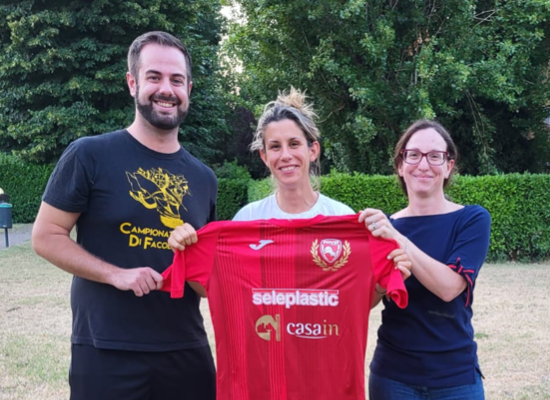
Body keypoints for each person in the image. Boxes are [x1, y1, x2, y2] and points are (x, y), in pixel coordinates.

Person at [165, 88, 412, 399]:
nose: (286, 155)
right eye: (275, 146)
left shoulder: (343, 219)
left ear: (313, 150)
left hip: (324, 380)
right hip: (263, 382)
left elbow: (355, 300)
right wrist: (185, 248)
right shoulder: (246, 221)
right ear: (264, 156)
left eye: (294, 144)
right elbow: (216, 288)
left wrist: (382, 282)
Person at [32, 31, 217, 400]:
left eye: (176, 80)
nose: (166, 89)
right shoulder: (89, 155)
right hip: (106, 349)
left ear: (188, 88)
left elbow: (206, 277)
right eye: (154, 77)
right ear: (133, 83)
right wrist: (116, 274)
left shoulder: (204, 178)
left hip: (186, 349)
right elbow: (45, 236)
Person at [359, 119, 491, 400]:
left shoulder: (472, 219)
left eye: (434, 156)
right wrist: (382, 284)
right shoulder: (385, 228)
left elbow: (449, 288)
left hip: (455, 379)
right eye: (414, 155)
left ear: (448, 166)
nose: (423, 164)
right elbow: (364, 302)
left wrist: (400, 240)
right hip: (392, 378)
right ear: (400, 165)